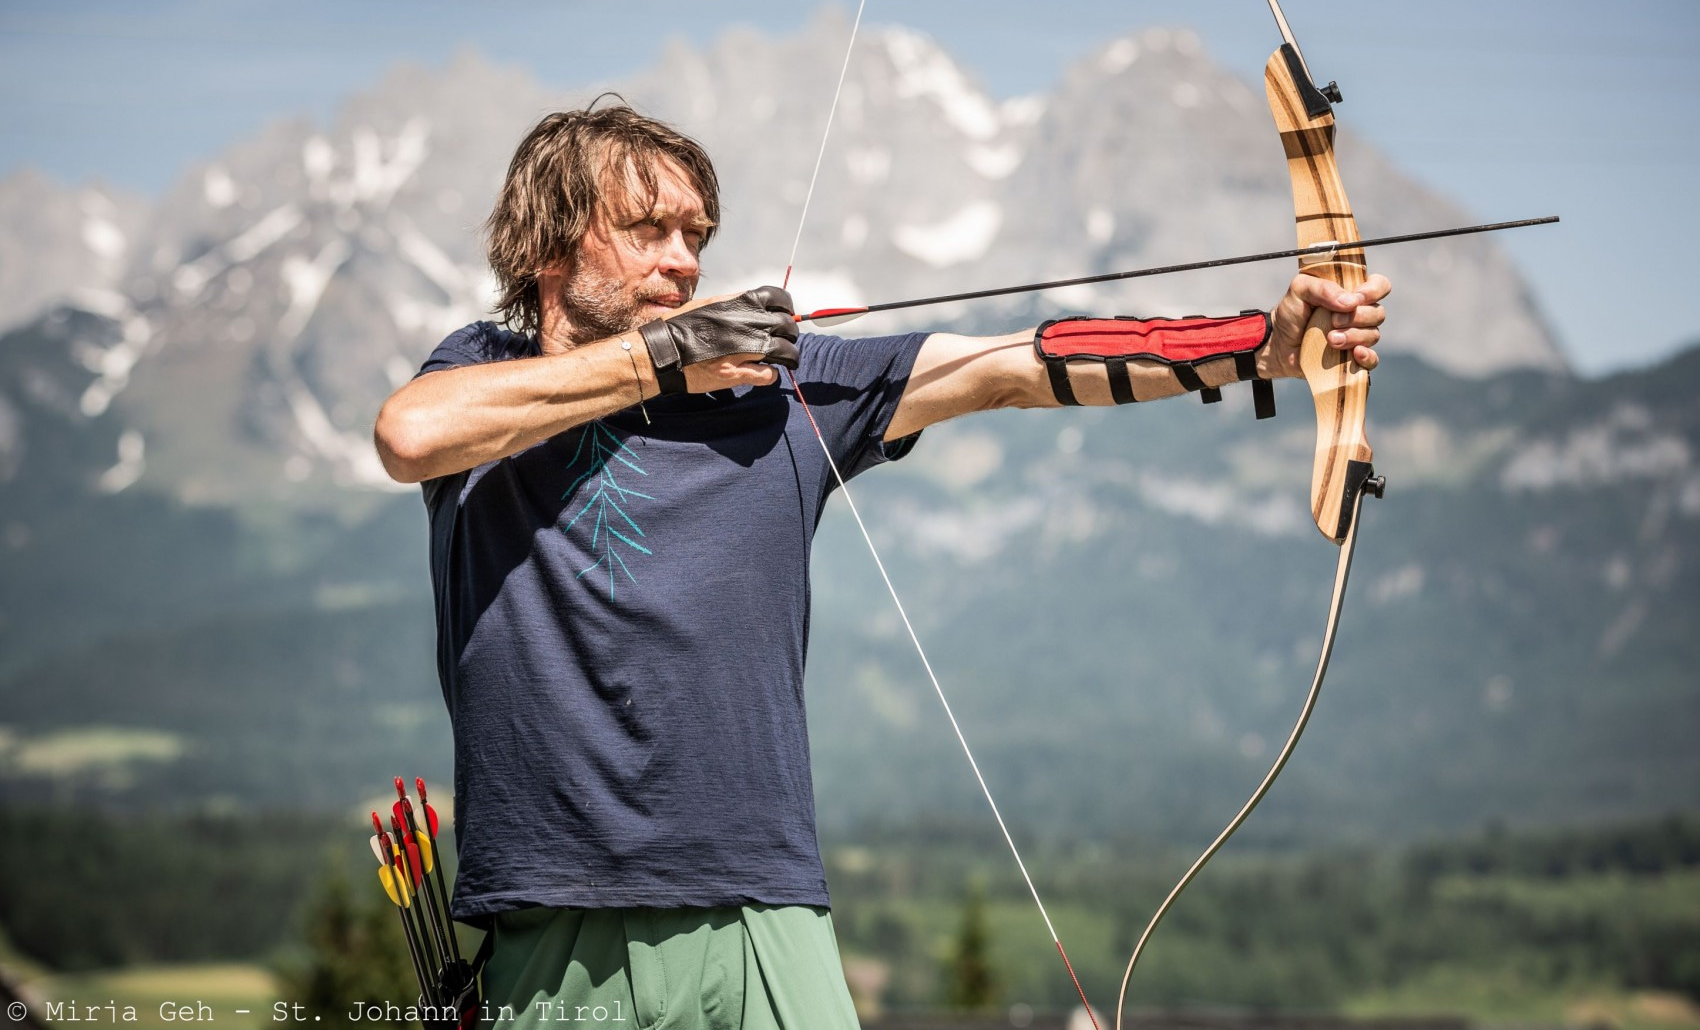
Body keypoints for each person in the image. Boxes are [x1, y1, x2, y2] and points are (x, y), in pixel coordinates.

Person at [373, 102, 1388, 1029]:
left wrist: (1261, 343)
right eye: (646, 231)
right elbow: (409, 438)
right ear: (552, 242)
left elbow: (1013, 365)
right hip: (552, 925)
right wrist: (656, 361)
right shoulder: (480, 373)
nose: (680, 262)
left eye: (695, 237)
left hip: (759, 912)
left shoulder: (777, 388)